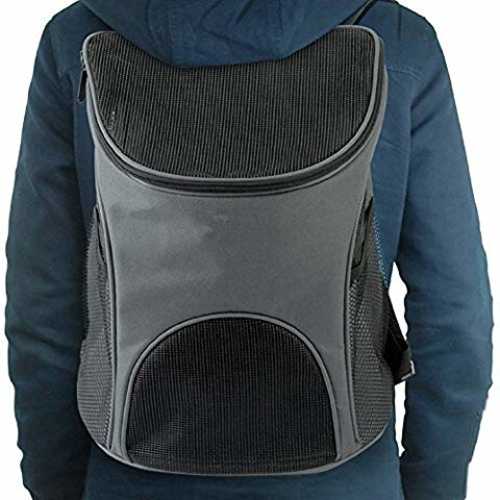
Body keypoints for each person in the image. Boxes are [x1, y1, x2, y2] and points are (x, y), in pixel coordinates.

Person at [5, 1, 493, 499]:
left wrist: (60, 486)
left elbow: (42, 309)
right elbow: (455, 315)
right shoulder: (399, 40)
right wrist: (431, 488)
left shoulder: (75, 38)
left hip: (129, 477)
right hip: (350, 477)